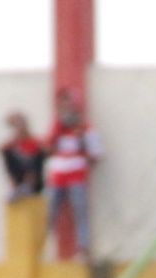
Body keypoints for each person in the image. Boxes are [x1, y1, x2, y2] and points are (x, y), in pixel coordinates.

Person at [43, 90, 102, 260]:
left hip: (77, 175)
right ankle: (45, 248)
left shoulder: (85, 128)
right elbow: (47, 149)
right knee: (50, 212)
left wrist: (81, 138)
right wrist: (57, 132)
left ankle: (82, 249)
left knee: (80, 211)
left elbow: (96, 154)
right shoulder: (56, 127)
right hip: (57, 176)